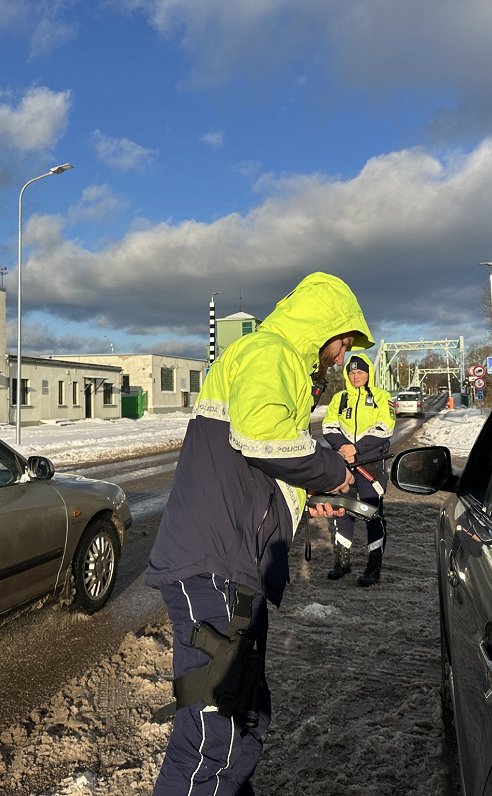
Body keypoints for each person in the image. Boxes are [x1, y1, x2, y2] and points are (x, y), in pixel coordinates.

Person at [145, 272, 373, 795]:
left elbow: (258, 469)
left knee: (243, 720)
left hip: (232, 566)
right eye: (342, 342)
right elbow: (262, 438)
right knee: (215, 738)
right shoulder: (270, 353)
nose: (340, 358)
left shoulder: (277, 362)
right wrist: (331, 469)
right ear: (323, 330)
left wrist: (308, 499)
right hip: (213, 563)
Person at [321, 352, 395, 585]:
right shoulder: (339, 398)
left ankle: (374, 566)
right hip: (345, 464)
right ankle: (342, 562)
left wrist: (356, 448)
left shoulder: (383, 397)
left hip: (371, 465)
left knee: (372, 513)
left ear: (368, 373)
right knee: (343, 511)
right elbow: (328, 425)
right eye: (352, 372)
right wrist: (342, 447)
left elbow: (385, 428)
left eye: (360, 372)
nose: (355, 376)